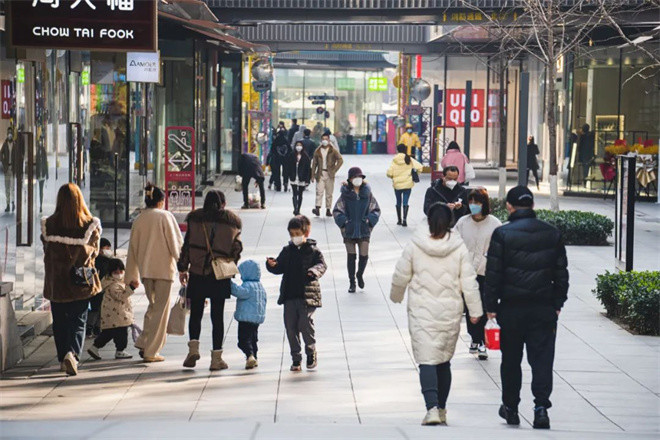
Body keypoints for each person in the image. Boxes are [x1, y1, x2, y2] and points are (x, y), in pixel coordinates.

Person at [390, 202, 482, 426]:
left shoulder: (415, 243)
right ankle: (441, 409)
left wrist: (396, 295)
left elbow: (401, 273)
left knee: (427, 359)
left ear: (428, 220)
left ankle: (431, 408)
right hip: (449, 310)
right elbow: (469, 282)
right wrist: (476, 310)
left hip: (422, 311)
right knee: (443, 360)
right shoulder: (459, 247)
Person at [485, 186, 569, 430]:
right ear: (532, 206)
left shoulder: (502, 234)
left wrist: (491, 306)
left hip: (511, 309)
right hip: (543, 309)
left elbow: (493, 275)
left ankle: (510, 407)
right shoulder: (552, 233)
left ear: (510, 207)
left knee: (511, 359)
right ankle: (541, 407)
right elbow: (561, 273)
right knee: (542, 360)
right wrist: (557, 303)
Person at [41, 183, 103, 375]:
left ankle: (62, 357)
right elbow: (95, 253)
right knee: (78, 320)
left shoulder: (48, 225)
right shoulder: (90, 224)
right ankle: (72, 354)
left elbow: (46, 250)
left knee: (59, 321)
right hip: (80, 282)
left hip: (56, 283)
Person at [178, 190, 243, 371]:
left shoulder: (195, 219)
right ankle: (216, 359)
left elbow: (187, 245)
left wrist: (183, 268)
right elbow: (237, 249)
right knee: (217, 317)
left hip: (198, 272)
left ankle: (193, 349)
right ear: (223, 203)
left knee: (196, 313)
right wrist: (229, 263)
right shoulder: (232, 223)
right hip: (219, 274)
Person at [126, 183, 183, 363]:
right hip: (164, 270)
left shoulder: (139, 219)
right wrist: (183, 266)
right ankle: (151, 350)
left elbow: (132, 249)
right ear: (161, 201)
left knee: (153, 307)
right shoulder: (165, 216)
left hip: (146, 270)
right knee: (161, 310)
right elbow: (176, 244)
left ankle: (144, 341)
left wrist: (131, 275)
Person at [266, 216, 327, 372]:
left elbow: (322, 265)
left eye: (297, 233)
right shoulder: (287, 251)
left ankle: (311, 351)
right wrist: (272, 265)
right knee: (291, 327)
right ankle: (296, 358)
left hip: (307, 296)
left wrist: (313, 271)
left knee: (305, 325)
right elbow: (279, 267)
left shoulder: (313, 251)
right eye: (292, 234)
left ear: (305, 232)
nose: (295, 237)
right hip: (289, 295)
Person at [455, 189, 502, 360]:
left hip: (486, 272)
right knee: (469, 307)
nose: (474, 206)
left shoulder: (495, 224)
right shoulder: (462, 222)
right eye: (471, 202)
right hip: (466, 272)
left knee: (482, 305)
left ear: (484, 204)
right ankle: (475, 338)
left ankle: (481, 341)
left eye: (477, 202)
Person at [333, 167, 381, 293]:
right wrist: (344, 222)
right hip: (349, 230)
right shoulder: (345, 194)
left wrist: (369, 220)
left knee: (364, 255)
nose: (358, 179)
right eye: (355, 177)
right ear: (350, 179)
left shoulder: (367, 194)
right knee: (351, 256)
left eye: (360, 177)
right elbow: (337, 210)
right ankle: (352, 282)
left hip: (364, 230)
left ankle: (359, 274)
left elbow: (375, 209)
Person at [87, 258, 135, 360]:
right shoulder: (113, 284)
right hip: (118, 314)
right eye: (115, 272)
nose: (119, 274)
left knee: (108, 333)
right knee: (121, 333)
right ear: (110, 272)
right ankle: (120, 350)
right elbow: (120, 296)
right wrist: (131, 288)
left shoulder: (113, 281)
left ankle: (95, 347)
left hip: (114, 314)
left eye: (121, 271)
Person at [230, 260, 267, 370]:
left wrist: (229, 283)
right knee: (253, 339)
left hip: (245, 319)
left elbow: (238, 292)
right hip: (256, 320)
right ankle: (254, 357)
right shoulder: (261, 287)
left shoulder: (248, 286)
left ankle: (249, 355)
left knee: (243, 341)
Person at [387, 143, 424, 227]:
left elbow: (389, 173)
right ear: (405, 150)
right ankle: (404, 219)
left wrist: (393, 176)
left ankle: (399, 220)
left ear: (397, 150)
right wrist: (415, 174)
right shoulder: (409, 159)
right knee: (405, 201)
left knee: (398, 201)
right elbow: (420, 167)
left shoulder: (395, 160)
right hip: (408, 184)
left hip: (397, 185)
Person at [311, 134, 343, 217]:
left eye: (326, 139)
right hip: (320, 173)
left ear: (329, 140)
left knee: (329, 192)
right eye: (323, 139)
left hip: (330, 174)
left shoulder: (333, 150)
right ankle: (317, 208)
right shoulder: (317, 151)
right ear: (321, 140)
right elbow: (314, 164)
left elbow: (340, 160)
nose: (324, 141)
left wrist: (334, 170)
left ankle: (328, 209)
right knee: (319, 191)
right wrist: (312, 175)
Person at [87, 238, 113, 338]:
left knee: (99, 308)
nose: (108, 250)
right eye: (107, 248)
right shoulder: (98, 260)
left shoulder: (99, 259)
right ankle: (91, 328)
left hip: (99, 288)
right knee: (96, 308)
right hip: (98, 287)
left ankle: (97, 328)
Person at [286, 141, 312, 215]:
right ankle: (295, 208)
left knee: (300, 194)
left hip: (302, 178)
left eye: (300, 145)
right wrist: (287, 177)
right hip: (293, 177)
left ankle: (298, 208)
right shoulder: (291, 155)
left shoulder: (306, 157)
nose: (298, 147)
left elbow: (308, 169)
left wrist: (307, 180)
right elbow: (288, 167)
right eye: (297, 145)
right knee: (294, 193)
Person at [1, 126, 21, 212]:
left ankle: (13, 203)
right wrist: (4, 162)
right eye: (8, 133)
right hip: (7, 169)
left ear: (12, 134)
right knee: (7, 187)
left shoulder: (15, 145)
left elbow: (17, 157)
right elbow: (0, 154)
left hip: (12, 169)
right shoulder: (5, 144)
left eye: (10, 133)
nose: (9, 134)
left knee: (12, 187)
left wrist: (16, 167)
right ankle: (8, 204)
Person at [268, 127, 291, 192]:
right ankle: (285, 183)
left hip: (276, 159)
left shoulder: (275, 141)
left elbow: (272, 150)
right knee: (285, 172)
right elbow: (290, 150)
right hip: (285, 159)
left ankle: (278, 185)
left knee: (277, 172)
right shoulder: (286, 141)